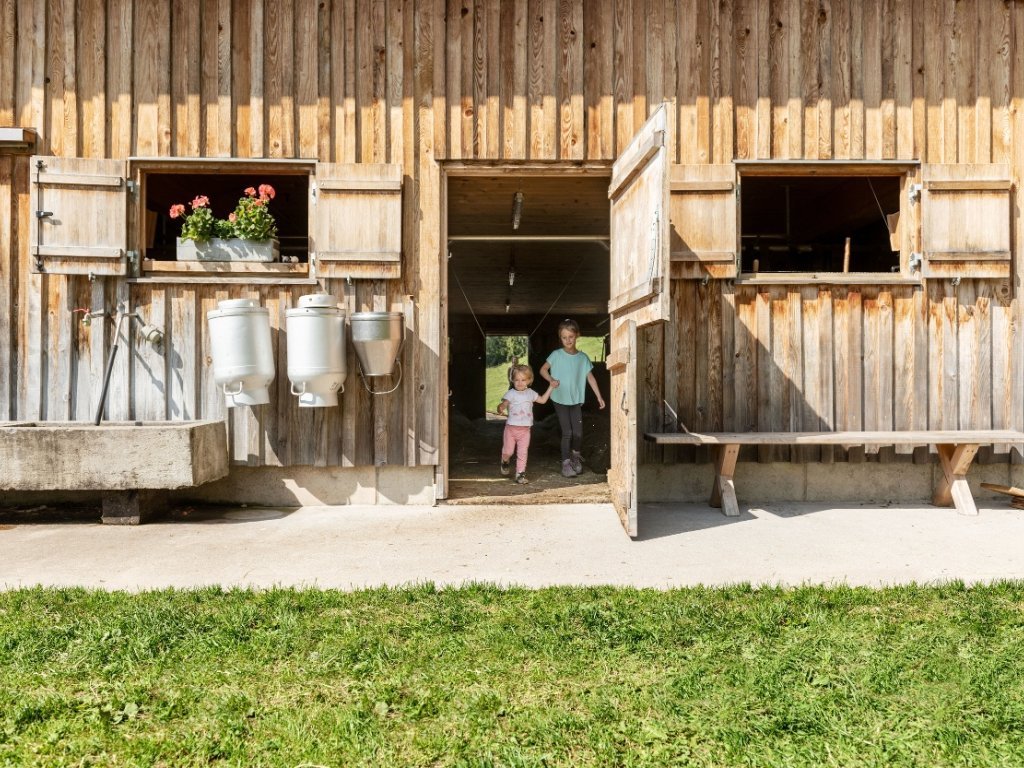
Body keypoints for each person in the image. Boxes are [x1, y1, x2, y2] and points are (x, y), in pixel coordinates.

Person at [539, 318, 606, 478]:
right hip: (559, 397)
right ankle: (566, 463)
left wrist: (599, 397)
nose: (568, 340)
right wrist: (551, 380)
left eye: (571, 336)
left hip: (575, 399)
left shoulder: (582, 358)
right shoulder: (556, 355)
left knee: (578, 433)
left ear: (577, 336)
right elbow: (543, 370)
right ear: (560, 338)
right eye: (564, 337)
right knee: (567, 432)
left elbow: (590, 378)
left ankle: (576, 457)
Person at [497, 364, 554, 484]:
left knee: (522, 452)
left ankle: (520, 474)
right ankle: (505, 460)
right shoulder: (511, 393)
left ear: (529, 380)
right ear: (512, 380)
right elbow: (504, 404)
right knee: (508, 451)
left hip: (525, 431)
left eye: (523, 380)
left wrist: (551, 387)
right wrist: (501, 408)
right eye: (517, 380)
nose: (520, 383)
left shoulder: (530, 393)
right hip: (511, 430)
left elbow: (543, 400)